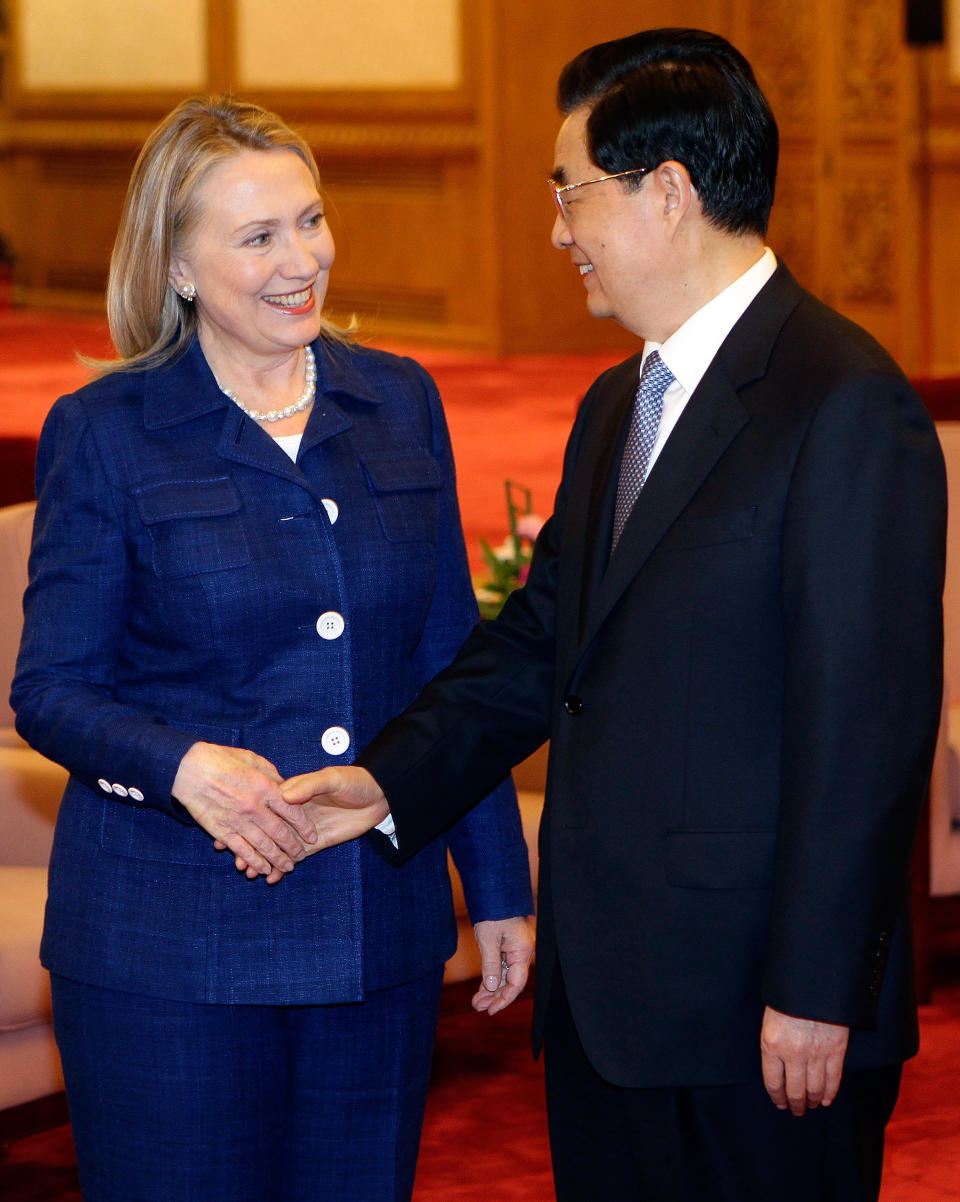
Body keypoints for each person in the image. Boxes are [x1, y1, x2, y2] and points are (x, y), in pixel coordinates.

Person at [273, 28, 947, 1202]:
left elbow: (867, 735)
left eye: (569, 192)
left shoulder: (840, 401)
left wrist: (818, 986)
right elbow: (543, 644)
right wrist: (386, 780)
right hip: (611, 1001)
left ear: (668, 193)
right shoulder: (614, 404)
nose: (556, 231)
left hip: (759, 1016)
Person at [11, 94, 534, 1202]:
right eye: (258, 237)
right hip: (167, 943)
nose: (303, 260)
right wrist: (183, 765)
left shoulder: (398, 400)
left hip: (370, 927)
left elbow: (453, 665)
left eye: (311, 219)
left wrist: (496, 886)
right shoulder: (109, 431)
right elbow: (50, 689)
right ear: (181, 266)